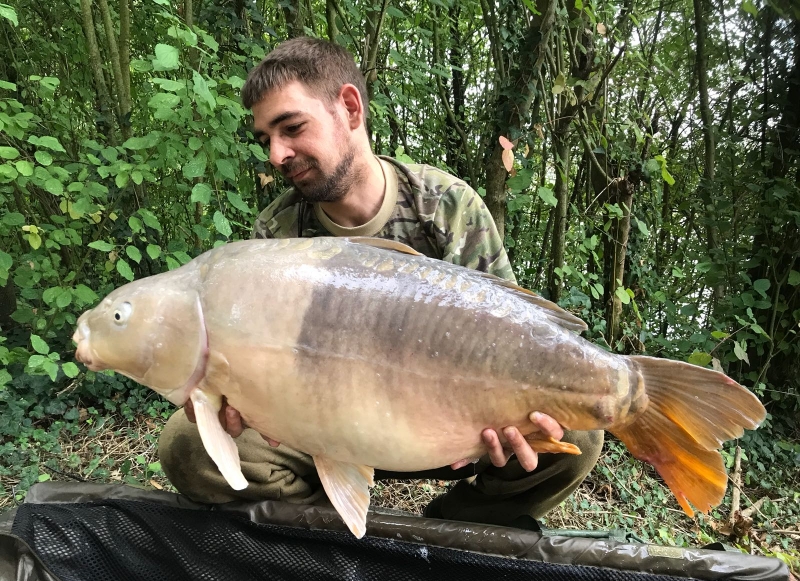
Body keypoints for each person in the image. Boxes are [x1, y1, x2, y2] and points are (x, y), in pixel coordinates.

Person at [158, 37, 603, 529]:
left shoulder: (447, 205)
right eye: (266, 140)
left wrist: (504, 419)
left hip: (447, 424)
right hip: (320, 423)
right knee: (188, 443)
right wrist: (233, 398)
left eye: (292, 127)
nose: (277, 154)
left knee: (576, 436)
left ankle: (450, 532)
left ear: (349, 107)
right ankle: (327, 533)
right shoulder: (276, 234)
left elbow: (511, 341)